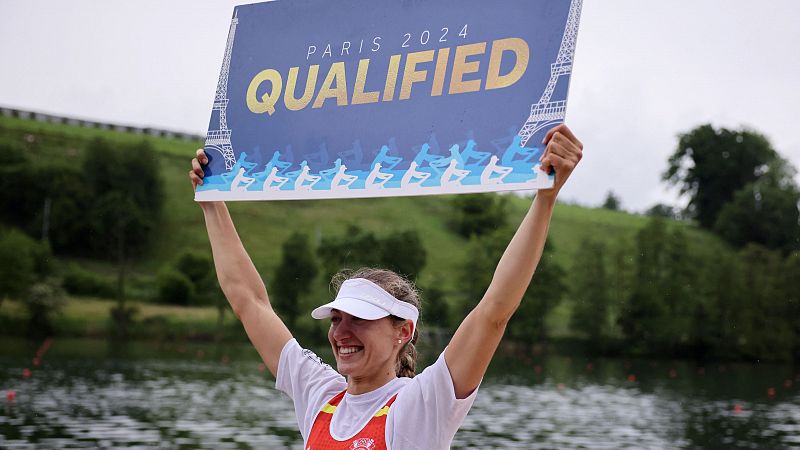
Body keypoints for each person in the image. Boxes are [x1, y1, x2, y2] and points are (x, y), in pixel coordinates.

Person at [188, 124, 583, 449]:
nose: (341, 332)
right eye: (337, 318)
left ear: (403, 332)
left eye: (359, 319)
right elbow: (249, 301)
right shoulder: (319, 394)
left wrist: (545, 199)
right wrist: (212, 201)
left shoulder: (420, 406)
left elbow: (493, 311)